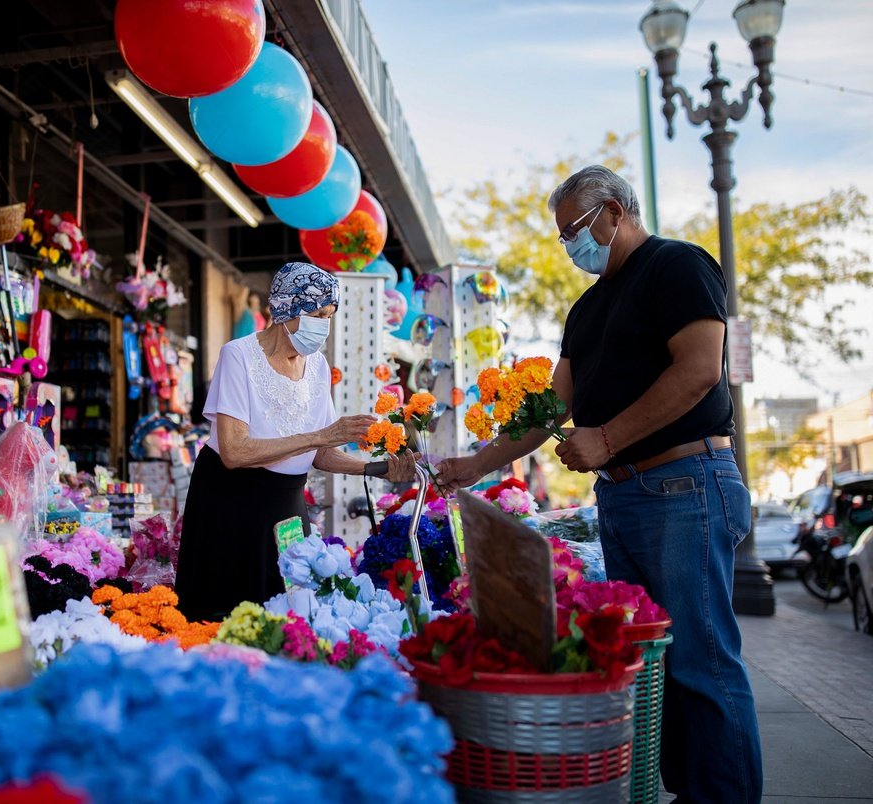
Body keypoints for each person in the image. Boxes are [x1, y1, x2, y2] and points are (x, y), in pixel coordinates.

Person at [436, 165, 762, 803]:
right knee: (658, 667)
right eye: (562, 238)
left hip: (686, 486)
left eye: (575, 231)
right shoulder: (586, 310)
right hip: (624, 497)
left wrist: (608, 438)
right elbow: (548, 411)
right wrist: (473, 466)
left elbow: (700, 370)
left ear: (614, 211)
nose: (571, 247)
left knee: (702, 661)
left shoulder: (677, 267)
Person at [177, 262, 416, 621]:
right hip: (231, 503)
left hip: (286, 506)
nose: (325, 325)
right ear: (288, 308)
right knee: (224, 615)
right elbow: (234, 451)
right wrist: (322, 435)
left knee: (289, 614)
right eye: (318, 314)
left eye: (330, 315)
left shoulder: (317, 366)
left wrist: (373, 469)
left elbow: (320, 454)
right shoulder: (238, 355)